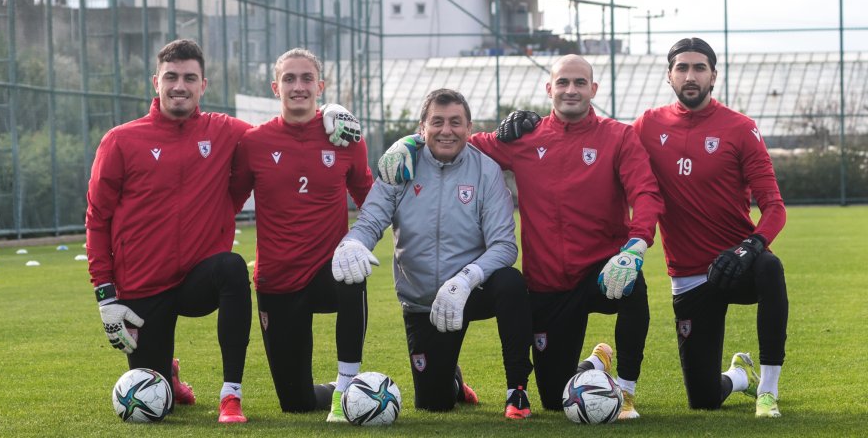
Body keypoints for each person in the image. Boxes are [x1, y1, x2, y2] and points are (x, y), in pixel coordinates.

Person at [86, 40, 360, 424]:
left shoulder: (226, 131)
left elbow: (285, 129)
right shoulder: (120, 140)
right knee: (155, 401)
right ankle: (170, 374)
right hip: (142, 285)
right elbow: (98, 217)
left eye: (189, 78)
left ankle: (231, 396)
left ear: (203, 85)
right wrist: (105, 296)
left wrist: (330, 111)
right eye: (171, 77)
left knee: (232, 267)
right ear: (156, 82)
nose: (179, 85)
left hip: (199, 279)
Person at [375, 56, 664, 419]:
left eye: (579, 83)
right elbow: (459, 137)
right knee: (556, 401)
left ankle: (626, 390)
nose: (570, 90)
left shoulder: (620, 136)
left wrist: (636, 246)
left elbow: (647, 193)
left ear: (593, 89)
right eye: (563, 83)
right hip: (548, 287)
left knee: (634, 287)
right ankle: (594, 365)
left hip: (602, 271)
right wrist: (411, 141)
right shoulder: (524, 138)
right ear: (549, 89)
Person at [332, 88, 534, 419]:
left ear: (469, 129)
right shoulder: (399, 166)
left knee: (511, 284)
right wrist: (354, 243)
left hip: (473, 290)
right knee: (434, 403)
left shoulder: (486, 170)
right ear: (422, 128)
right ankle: (452, 380)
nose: (446, 130)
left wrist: (466, 280)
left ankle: (517, 392)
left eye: (456, 122)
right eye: (437, 122)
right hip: (423, 301)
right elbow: (370, 222)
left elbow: (504, 245)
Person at [631, 38, 788, 418]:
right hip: (687, 277)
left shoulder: (740, 128)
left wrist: (750, 246)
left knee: (770, 267)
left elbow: (774, 208)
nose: (690, 75)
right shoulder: (647, 126)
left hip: (737, 265)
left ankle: (768, 391)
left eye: (699, 68)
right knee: (702, 400)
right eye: (682, 68)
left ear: (713, 75)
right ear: (669, 75)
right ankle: (738, 376)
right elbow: (601, 144)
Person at [228, 48, 373, 422]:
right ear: (275, 88)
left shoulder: (346, 137)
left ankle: (347, 385)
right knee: (296, 403)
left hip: (328, 272)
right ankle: (346, 390)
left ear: (320, 86)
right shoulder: (254, 142)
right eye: (289, 79)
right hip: (278, 280)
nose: (298, 86)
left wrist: (359, 240)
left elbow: (370, 199)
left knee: (351, 269)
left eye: (306, 78)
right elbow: (227, 203)